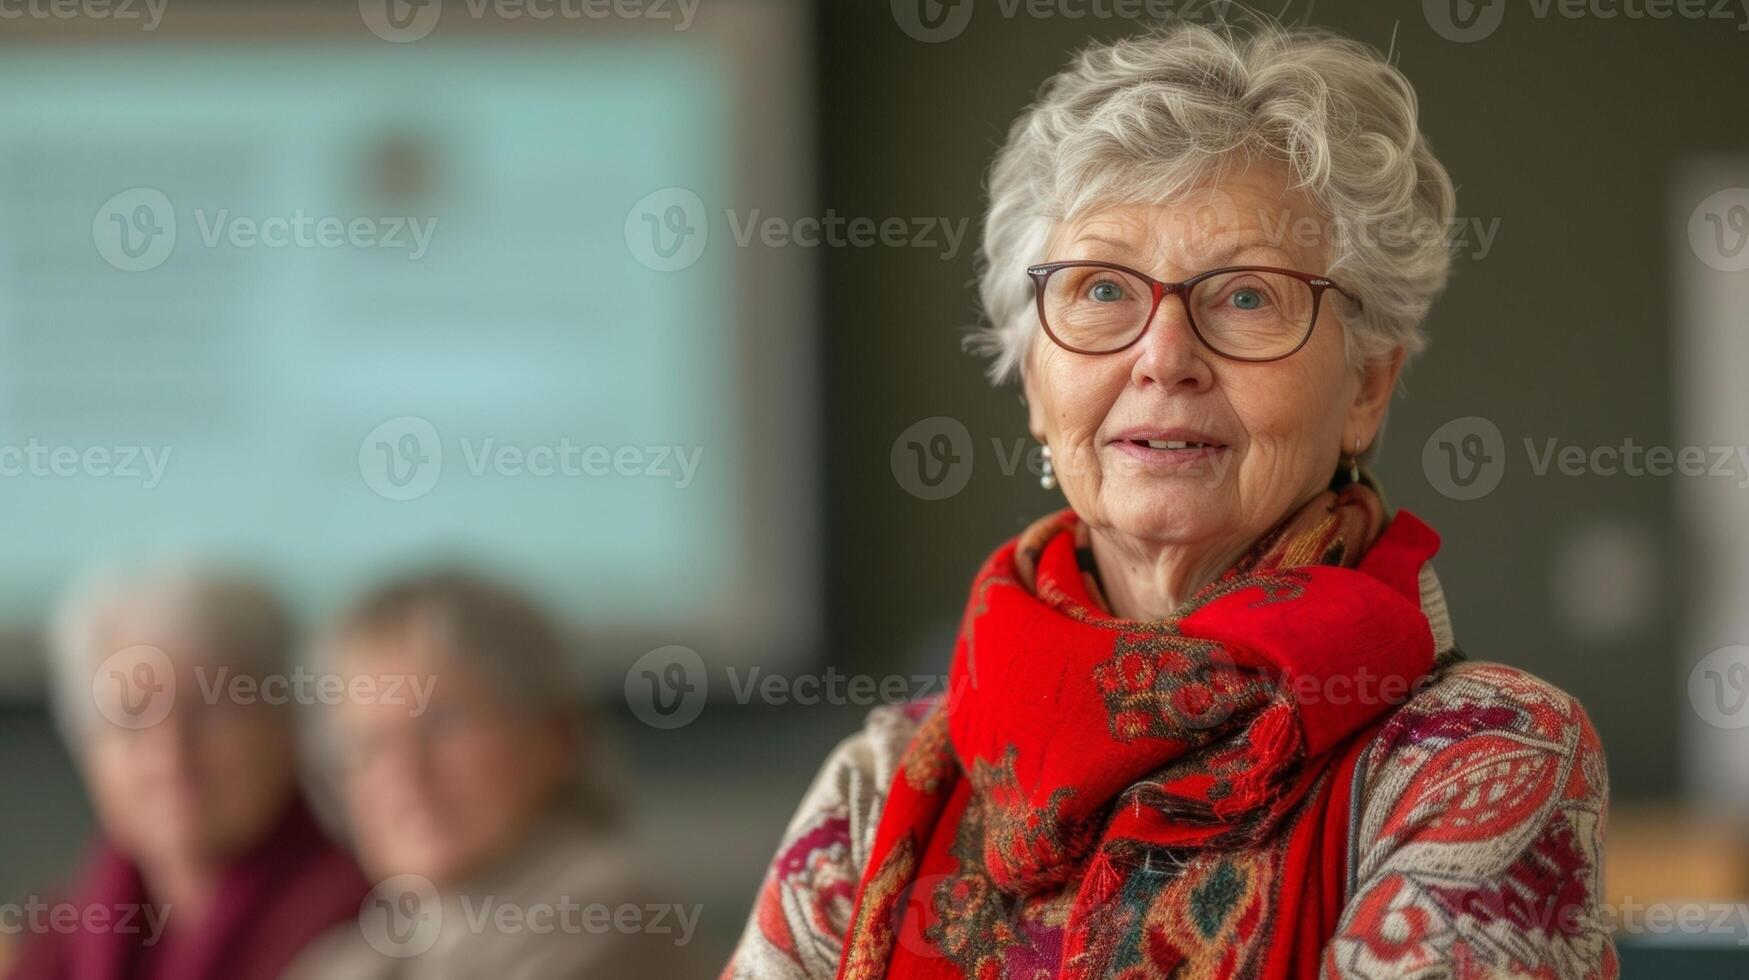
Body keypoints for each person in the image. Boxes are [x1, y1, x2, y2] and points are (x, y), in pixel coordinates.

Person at [726, 17, 1614, 980]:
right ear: (1033, 380)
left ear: (1366, 387)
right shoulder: (882, 781)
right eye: (1102, 289)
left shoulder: (1482, 757)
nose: (1163, 358)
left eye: (1244, 296)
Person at [286, 570, 693, 979]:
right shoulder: (363, 950)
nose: (405, 772)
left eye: (444, 724)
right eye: (369, 745)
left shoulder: (612, 916)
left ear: (554, 736)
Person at [9, 565, 369, 980]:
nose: (170, 757)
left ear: (286, 725)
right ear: (88, 752)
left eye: (210, 711)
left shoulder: (369, 924)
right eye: (132, 718)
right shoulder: (49, 940)